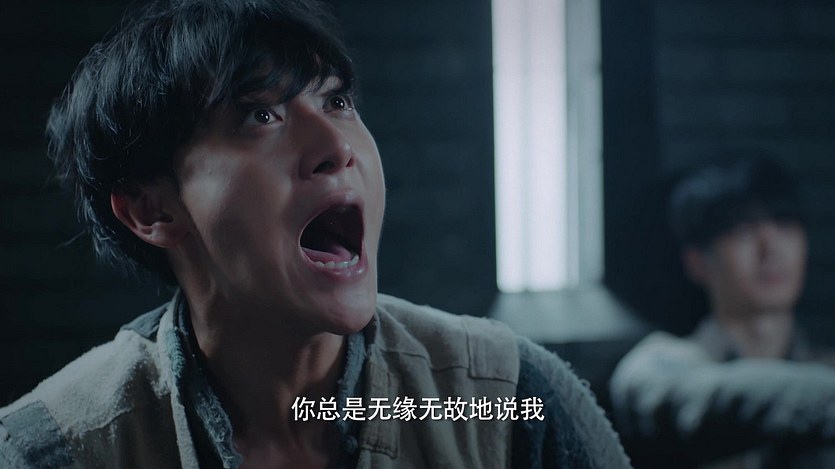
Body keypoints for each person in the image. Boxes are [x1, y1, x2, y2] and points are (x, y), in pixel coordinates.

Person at [0, 1, 630, 467]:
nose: (336, 146)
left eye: (337, 102)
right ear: (152, 211)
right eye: (261, 115)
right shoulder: (56, 448)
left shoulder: (501, 396)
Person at [609, 154, 835, 469]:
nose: (770, 248)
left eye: (785, 225)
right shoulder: (658, 365)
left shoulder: (825, 366)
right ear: (698, 262)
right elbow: (689, 401)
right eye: (744, 230)